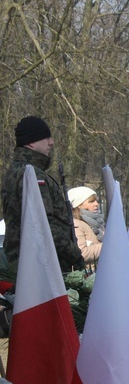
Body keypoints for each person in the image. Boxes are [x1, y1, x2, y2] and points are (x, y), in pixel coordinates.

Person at [1, 116, 84, 273]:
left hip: (25, 263)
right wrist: (74, 254)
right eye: (46, 137)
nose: (51, 142)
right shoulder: (32, 175)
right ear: (31, 142)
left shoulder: (16, 172)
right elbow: (45, 225)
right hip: (41, 266)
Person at [67, 186, 105, 264]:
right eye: (91, 201)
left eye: (96, 201)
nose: (96, 204)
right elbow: (82, 253)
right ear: (78, 205)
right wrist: (107, 245)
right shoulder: (76, 224)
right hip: (87, 273)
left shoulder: (98, 222)